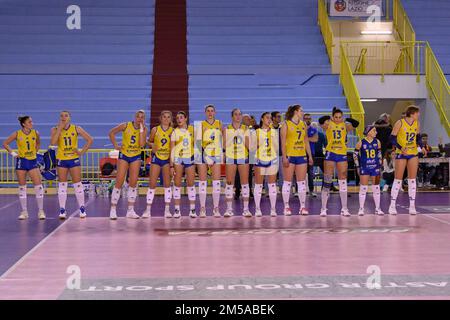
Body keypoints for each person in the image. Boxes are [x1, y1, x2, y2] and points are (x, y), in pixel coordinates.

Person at [50, 111, 93, 219]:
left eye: (66, 115)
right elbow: (53, 143)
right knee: (62, 184)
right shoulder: (55, 129)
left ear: (69, 117)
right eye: (61, 116)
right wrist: (60, 128)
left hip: (73, 159)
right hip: (61, 159)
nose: (63, 117)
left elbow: (90, 139)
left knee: (77, 183)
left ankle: (82, 208)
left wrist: (81, 152)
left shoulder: (76, 128)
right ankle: (62, 209)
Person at [3, 116, 46, 220]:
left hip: (32, 161)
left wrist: (36, 152)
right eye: (29, 122)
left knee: (38, 186)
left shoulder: (36, 133)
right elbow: (5, 144)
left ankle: (41, 211)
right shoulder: (17, 134)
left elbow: (38, 143)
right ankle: (24, 212)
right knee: (22, 187)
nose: (32, 123)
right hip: (21, 161)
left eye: (31, 121)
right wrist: (13, 154)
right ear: (24, 124)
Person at [319, 107, 359, 217]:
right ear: (333, 117)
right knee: (327, 181)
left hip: (341, 154)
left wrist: (346, 120)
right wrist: (329, 118)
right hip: (330, 153)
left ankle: (344, 208)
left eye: (340, 117)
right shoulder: (328, 124)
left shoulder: (345, 126)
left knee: (342, 180)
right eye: (336, 117)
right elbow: (321, 121)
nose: (337, 119)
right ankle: (323, 208)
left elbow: (356, 123)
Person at [108, 110, 148, 220]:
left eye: (142, 117)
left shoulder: (144, 129)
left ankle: (130, 210)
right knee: (119, 181)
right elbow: (111, 132)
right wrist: (116, 145)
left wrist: (141, 130)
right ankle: (113, 209)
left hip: (135, 156)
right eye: (138, 116)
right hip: (124, 155)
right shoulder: (125, 125)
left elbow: (141, 144)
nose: (140, 118)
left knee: (133, 182)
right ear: (134, 117)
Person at [389, 105, 424, 215]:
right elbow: (392, 138)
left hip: (413, 152)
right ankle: (392, 205)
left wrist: (421, 146)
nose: (419, 115)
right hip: (402, 153)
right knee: (398, 179)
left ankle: (412, 206)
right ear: (412, 113)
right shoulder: (400, 122)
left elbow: (418, 137)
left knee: (412, 180)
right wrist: (400, 147)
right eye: (417, 113)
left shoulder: (417, 124)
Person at [280, 105, 314, 215]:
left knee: (302, 182)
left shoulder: (303, 124)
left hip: (301, 155)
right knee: (287, 182)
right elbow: (283, 143)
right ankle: (286, 207)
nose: (303, 113)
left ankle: (302, 207)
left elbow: (306, 141)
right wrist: (284, 157)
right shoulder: (286, 124)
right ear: (296, 112)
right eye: (301, 111)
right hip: (290, 155)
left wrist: (310, 156)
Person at [143, 111, 173, 218]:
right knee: (152, 184)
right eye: (164, 117)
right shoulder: (155, 130)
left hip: (167, 159)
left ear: (170, 119)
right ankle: (148, 210)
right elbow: (148, 142)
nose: (166, 119)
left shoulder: (173, 131)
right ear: (160, 118)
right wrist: (152, 144)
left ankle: (167, 210)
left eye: (168, 117)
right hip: (156, 158)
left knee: (167, 185)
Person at [197, 105, 223, 218]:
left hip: (216, 154)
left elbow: (221, 141)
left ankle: (215, 208)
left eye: (212, 111)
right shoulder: (201, 125)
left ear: (215, 112)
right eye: (208, 111)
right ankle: (202, 208)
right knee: (202, 182)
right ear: (205, 112)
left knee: (216, 182)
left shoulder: (219, 124)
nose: (210, 113)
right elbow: (198, 143)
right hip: (203, 154)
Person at [223, 109, 251, 217]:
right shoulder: (227, 129)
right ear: (232, 116)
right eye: (236, 114)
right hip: (231, 157)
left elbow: (249, 146)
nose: (238, 116)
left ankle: (246, 209)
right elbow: (224, 146)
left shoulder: (246, 129)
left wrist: (242, 136)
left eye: (240, 114)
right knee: (229, 184)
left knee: (245, 184)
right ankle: (229, 209)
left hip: (243, 157)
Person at [169, 111, 197, 218]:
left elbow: (197, 146)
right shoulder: (174, 132)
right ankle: (177, 210)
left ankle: (192, 209)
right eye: (177, 118)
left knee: (191, 184)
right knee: (177, 184)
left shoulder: (193, 130)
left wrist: (197, 161)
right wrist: (171, 166)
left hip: (190, 158)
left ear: (186, 118)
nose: (179, 119)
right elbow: (172, 149)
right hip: (178, 159)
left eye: (181, 117)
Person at [353, 125, 384, 215]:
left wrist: (380, 163)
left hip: (375, 167)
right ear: (369, 132)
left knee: (376, 188)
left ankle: (378, 208)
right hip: (365, 167)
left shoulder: (377, 142)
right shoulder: (361, 142)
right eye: (374, 130)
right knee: (363, 188)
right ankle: (361, 208)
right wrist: (358, 166)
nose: (376, 132)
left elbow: (379, 154)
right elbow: (354, 155)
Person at [253, 112, 279, 217]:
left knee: (272, 185)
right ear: (262, 119)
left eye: (270, 118)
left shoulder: (274, 132)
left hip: (271, 159)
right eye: (267, 118)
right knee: (259, 185)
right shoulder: (256, 131)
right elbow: (252, 148)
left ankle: (273, 209)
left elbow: (277, 148)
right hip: (259, 159)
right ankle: (257, 209)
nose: (269, 120)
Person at [304, 113, 318, 197]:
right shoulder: (301, 128)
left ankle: (311, 190)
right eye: (306, 118)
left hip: (311, 153)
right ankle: (298, 191)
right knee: (300, 173)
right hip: (301, 153)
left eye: (309, 118)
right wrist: (309, 139)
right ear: (303, 119)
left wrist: (305, 139)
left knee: (310, 172)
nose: (307, 120)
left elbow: (315, 139)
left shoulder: (314, 129)